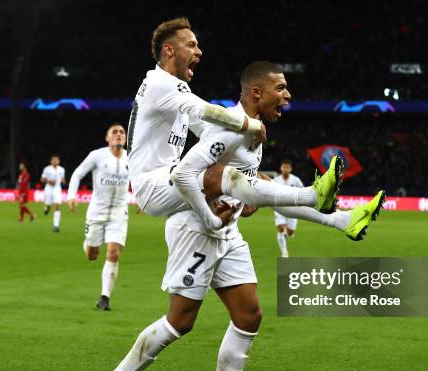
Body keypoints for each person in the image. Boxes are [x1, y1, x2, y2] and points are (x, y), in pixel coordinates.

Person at [92, 62, 385, 371]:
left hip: (227, 235)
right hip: (194, 231)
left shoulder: (254, 136)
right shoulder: (227, 129)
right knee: (180, 322)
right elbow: (188, 175)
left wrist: (337, 221)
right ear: (256, 93)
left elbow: (260, 196)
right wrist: (215, 212)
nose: (288, 95)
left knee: (249, 317)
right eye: (280, 88)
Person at [127, 17, 342, 234]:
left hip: (164, 180)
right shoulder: (159, 83)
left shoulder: (173, 89)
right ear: (168, 50)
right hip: (153, 183)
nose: (199, 51)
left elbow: (206, 128)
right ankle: (313, 195)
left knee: (258, 179)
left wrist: (245, 185)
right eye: (191, 45)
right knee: (221, 174)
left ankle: (339, 220)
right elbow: (207, 111)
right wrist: (249, 125)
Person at [67, 124, 130, 311]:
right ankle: (88, 243)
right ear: (107, 138)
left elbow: (139, 179)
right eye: (115, 132)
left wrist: (143, 199)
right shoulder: (97, 155)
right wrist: (71, 196)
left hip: (119, 212)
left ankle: (104, 297)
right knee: (92, 255)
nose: (119, 135)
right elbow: (78, 173)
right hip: (97, 211)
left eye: (122, 133)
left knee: (113, 252)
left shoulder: (132, 157)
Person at [272, 160, 303, 257]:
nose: (285, 169)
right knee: (281, 228)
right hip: (279, 208)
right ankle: (284, 252)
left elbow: (302, 190)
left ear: (290, 169)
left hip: (293, 209)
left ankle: (287, 233)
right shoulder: (276, 180)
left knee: (290, 233)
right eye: (284, 167)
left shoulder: (296, 180)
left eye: (287, 167)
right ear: (281, 168)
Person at [41, 155, 65, 232]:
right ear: (51, 161)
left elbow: (62, 179)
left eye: (56, 160)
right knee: (48, 205)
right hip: (49, 188)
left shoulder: (62, 169)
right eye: (53, 160)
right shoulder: (47, 169)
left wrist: (63, 181)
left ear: (58, 161)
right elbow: (42, 179)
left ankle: (56, 226)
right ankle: (46, 208)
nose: (55, 161)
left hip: (57, 188)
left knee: (57, 205)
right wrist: (48, 181)